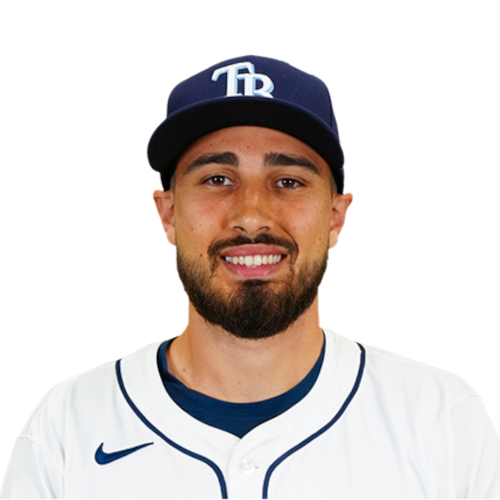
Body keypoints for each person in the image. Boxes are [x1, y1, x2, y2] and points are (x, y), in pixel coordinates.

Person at [2, 54, 499, 499]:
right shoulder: (67, 427)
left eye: (288, 181)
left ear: (336, 216)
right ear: (167, 214)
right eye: (217, 178)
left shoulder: (441, 419)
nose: (252, 215)